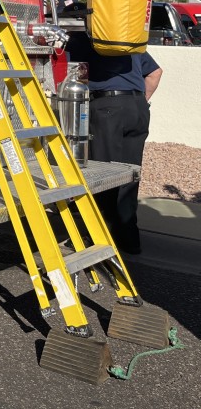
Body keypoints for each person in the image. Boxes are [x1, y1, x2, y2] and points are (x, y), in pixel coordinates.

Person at [65, 33, 162, 254]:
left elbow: (64, 73)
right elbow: (156, 73)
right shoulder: (127, 38)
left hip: (108, 107)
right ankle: (129, 239)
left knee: (103, 174)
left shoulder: (82, 40)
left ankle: (99, 237)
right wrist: (136, 103)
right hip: (137, 108)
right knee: (129, 174)